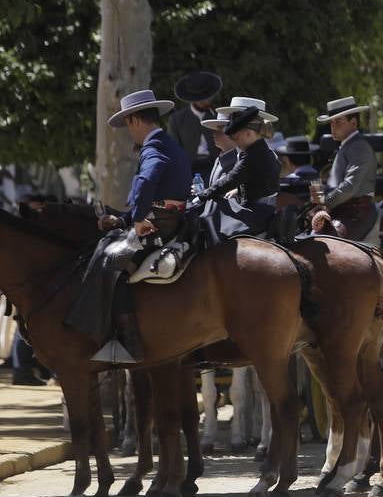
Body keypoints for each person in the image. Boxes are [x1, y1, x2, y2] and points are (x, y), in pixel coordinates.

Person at [67, 90, 192, 364]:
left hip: (160, 224)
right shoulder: (167, 142)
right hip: (168, 218)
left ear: (135, 120)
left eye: (127, 125)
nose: (128, 132)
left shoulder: (154, 147)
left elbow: (148, 182)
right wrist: (123, 219)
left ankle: (128, 342)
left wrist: (135, 220)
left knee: (110, 258)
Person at [191, 105, 281, 239]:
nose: (236, 143)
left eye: (237, 138)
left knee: (218, 227)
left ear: (249, 133)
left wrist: (202, 196)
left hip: (258, 211)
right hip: (258, 207)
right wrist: (238, 190)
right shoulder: (260, 151)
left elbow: (231, 178)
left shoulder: (253, 155)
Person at [310, 96, 378, 240]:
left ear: (353, 123)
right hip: (342, 211)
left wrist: (325, 201)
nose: (333, 126)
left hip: (355, 215)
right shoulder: (347, 147)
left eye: (338, 122)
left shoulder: (359, 147)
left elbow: (350, 186)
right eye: (332, 122)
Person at [166, 70, 222, 176]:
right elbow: (174, 150)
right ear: (195, 99)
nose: (209, 100)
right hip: (188, 170)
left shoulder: (218, 116)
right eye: (205, 98)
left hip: (215, 167)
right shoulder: (177, 119)